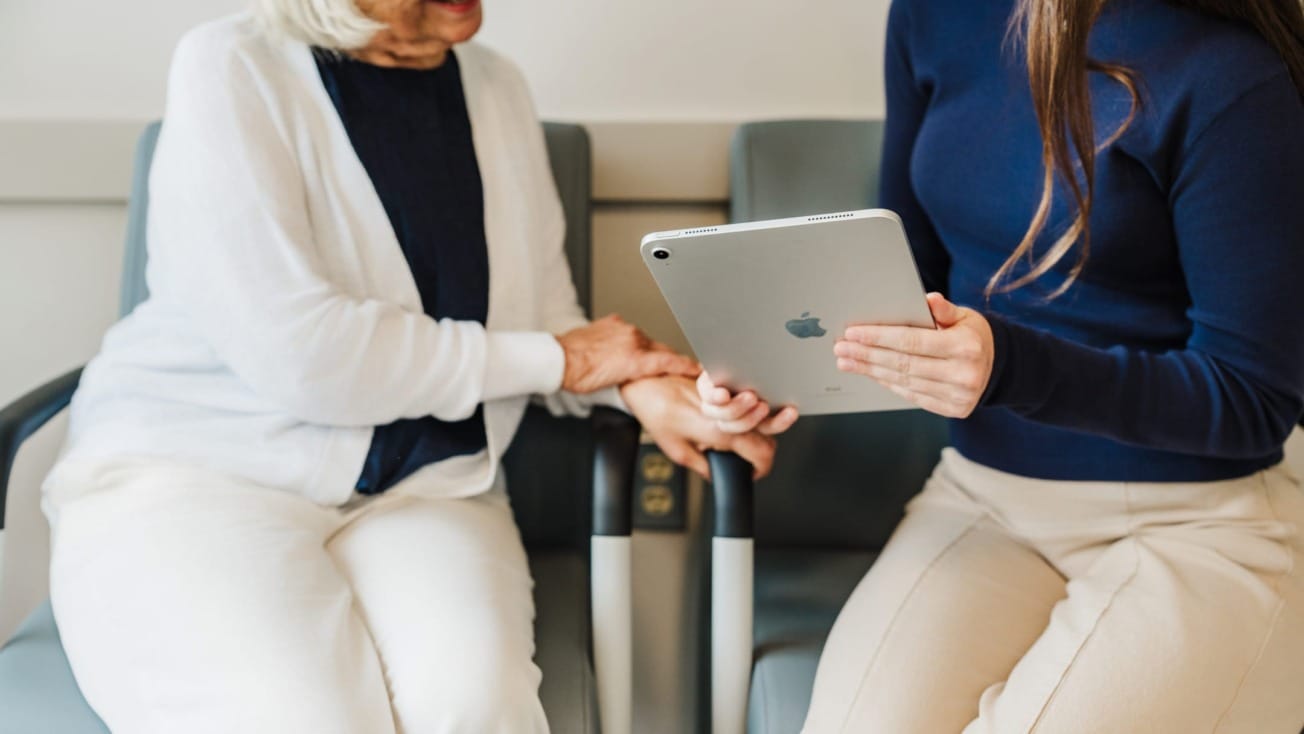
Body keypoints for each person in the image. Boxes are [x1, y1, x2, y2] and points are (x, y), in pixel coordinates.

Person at [41, 1, 777, 731]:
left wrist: (642, 384)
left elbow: (545, 322)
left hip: (428, 486)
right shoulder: (232, 63)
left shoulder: (496, 87)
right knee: (298, 721)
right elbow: (305, 353)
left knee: (477, 711)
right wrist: (566, 358)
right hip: (203, 469)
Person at [701, 0, 1304, 730]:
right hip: (984, 495)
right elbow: (905, 280)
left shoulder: (1232, 77)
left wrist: (1009, 368)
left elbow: (1252, 399)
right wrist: (778, 369)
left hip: (1199, 521)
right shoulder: (931, 15)